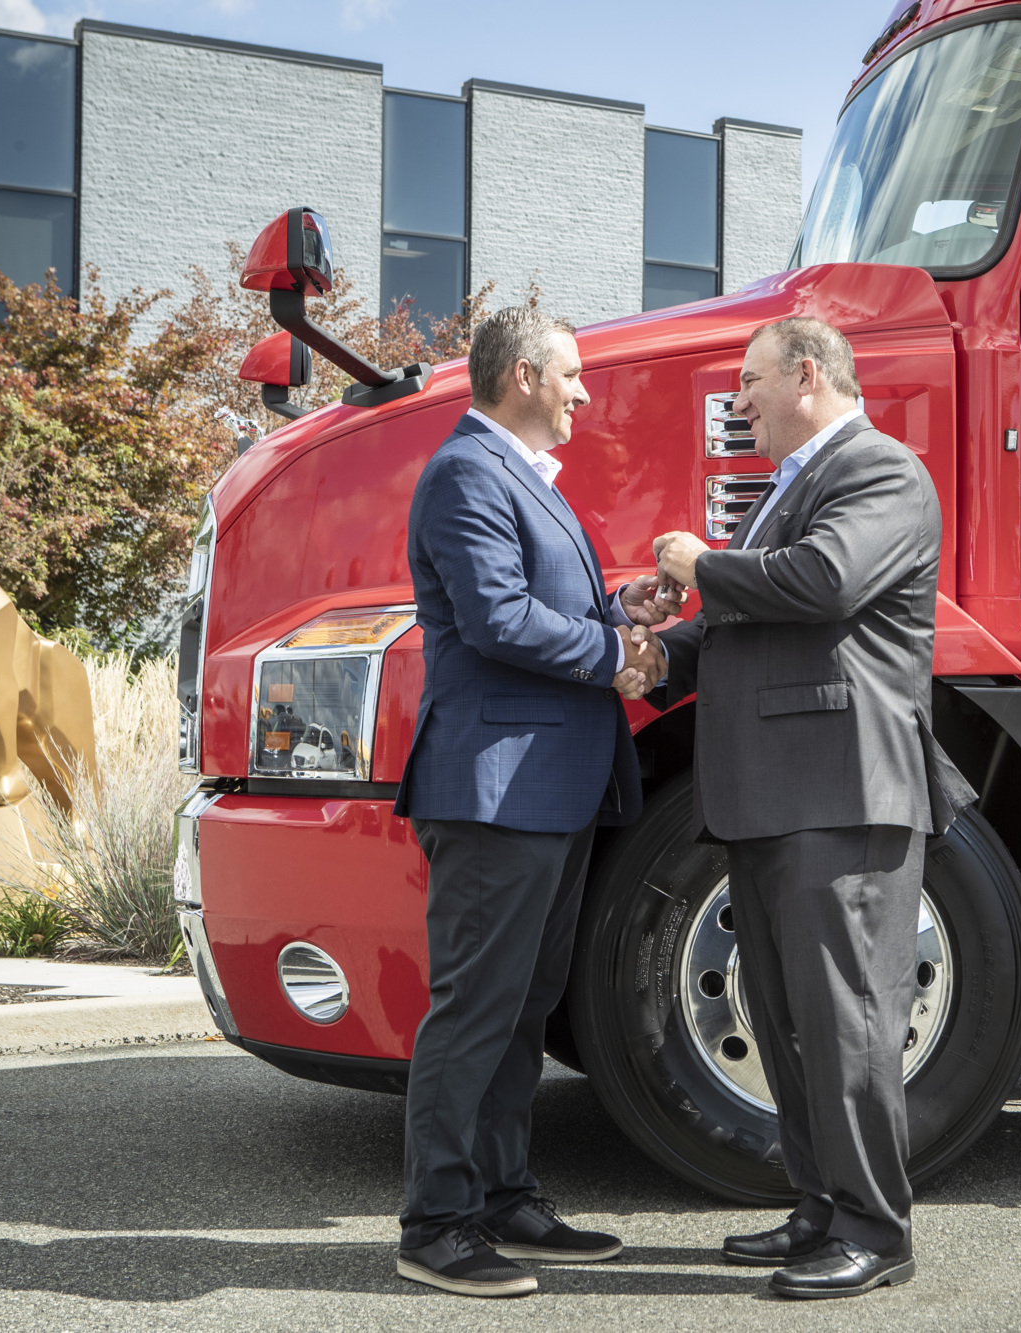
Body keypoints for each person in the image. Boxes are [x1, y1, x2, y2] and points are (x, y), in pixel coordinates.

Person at [648, 316, 974, 1300]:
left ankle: (874, 1230)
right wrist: (654, 650)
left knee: (846, 1020)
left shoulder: (878, 470)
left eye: (747, 382)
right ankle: (818, 1209)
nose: (736, 400)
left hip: (840, 791)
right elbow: (750, 626)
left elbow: (824, 582)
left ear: (804, 374)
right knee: (786, 1016)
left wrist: (696, 564)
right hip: (777, 792)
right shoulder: (787, 491)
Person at [393, 306, 672, 1299]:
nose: (584, 393)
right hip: (496, 787)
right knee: (475, 1004)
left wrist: (618, 606)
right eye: (572, 376)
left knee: (522, 1003)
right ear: (521, 375)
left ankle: (503, 1196)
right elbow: (497, 617)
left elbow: (534, 604)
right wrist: (614, 658)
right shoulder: (467, 472)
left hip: (544, 786)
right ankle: (434, 1221)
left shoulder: (515, 476)